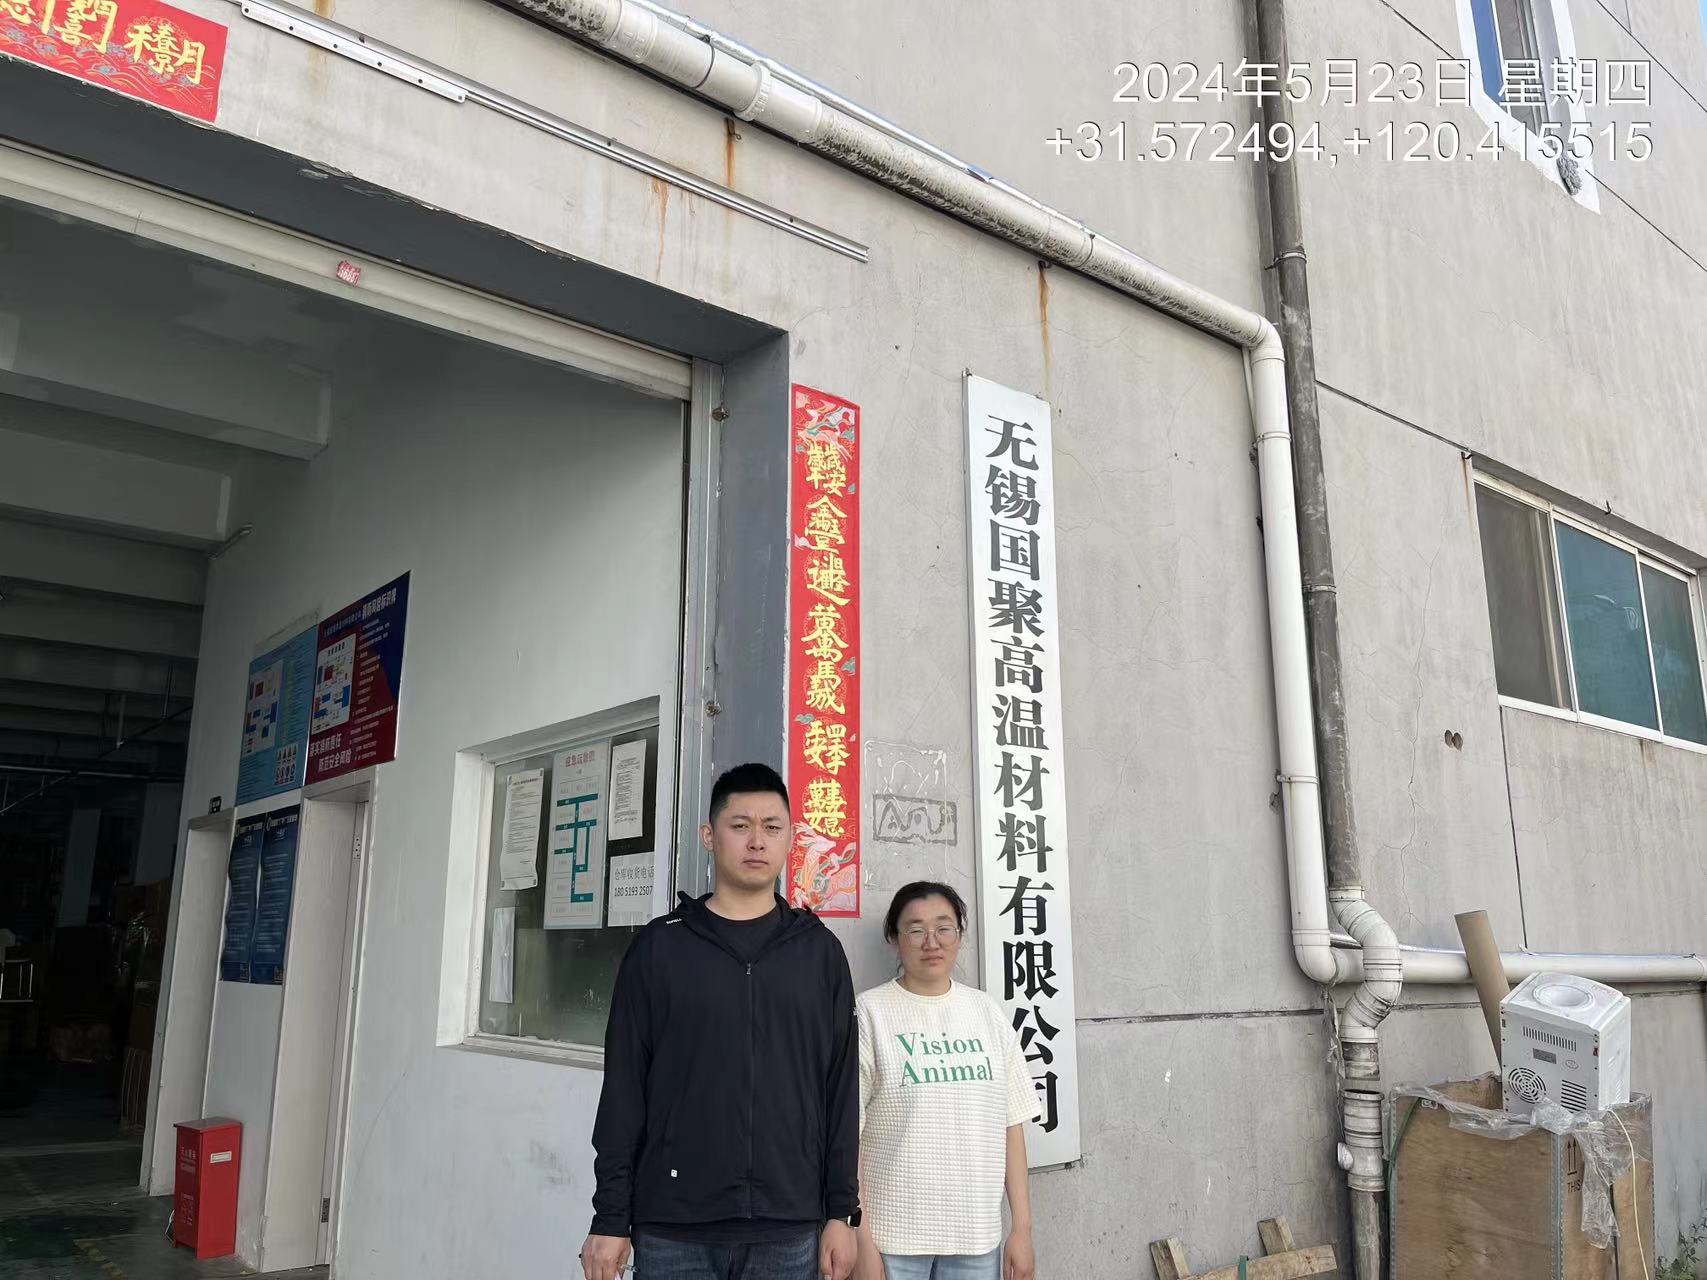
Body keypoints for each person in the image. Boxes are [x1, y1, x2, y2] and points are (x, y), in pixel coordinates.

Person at [580, 762, 861, 1280]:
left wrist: (841, 1213)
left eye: (772, 827)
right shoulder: (660, 947)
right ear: (709, 836)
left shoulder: (818, 953)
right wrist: (610, 1217)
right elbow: (623, 1090)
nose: (757, 841)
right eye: (740, 825)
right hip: (674, 1226)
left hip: (788, 1225)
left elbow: (840, 1090)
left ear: (790, 839)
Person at [854, 883, 1041, 1280]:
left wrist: (1021, 1229)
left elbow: (1011, 1126)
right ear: (894, 939)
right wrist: (861, 1238)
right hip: (892, 1242)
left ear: (959, 935)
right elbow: (846, 1136)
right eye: (916, 930)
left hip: (976, 1240)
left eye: (944, 928)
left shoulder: (986, 1012)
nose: (931, 942)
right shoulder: (869, 1013)